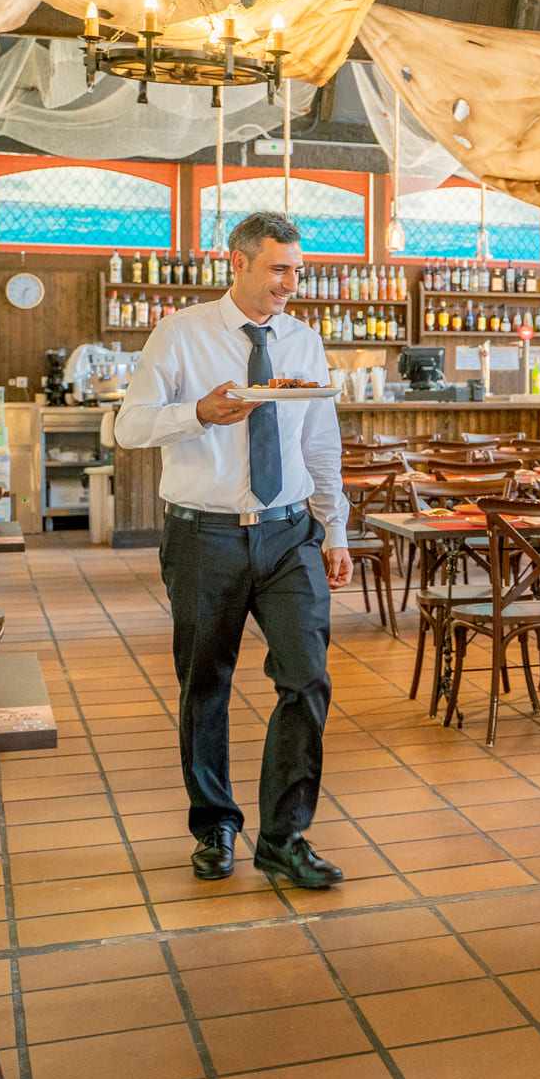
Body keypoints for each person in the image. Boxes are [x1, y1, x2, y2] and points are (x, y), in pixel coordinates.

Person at [116, 212, 352, 891]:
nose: (290, 283)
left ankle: (284, 837)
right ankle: (215, 825)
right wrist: (198, 413)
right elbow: (129, 426)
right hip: (205, 534)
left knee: (307, 678)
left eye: (297, 270)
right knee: (205, 684)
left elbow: (320, 444)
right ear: (239, 262)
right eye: (279, 269)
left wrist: (335, 530)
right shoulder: (181, 333)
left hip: (289, 531)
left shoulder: (304, 341)